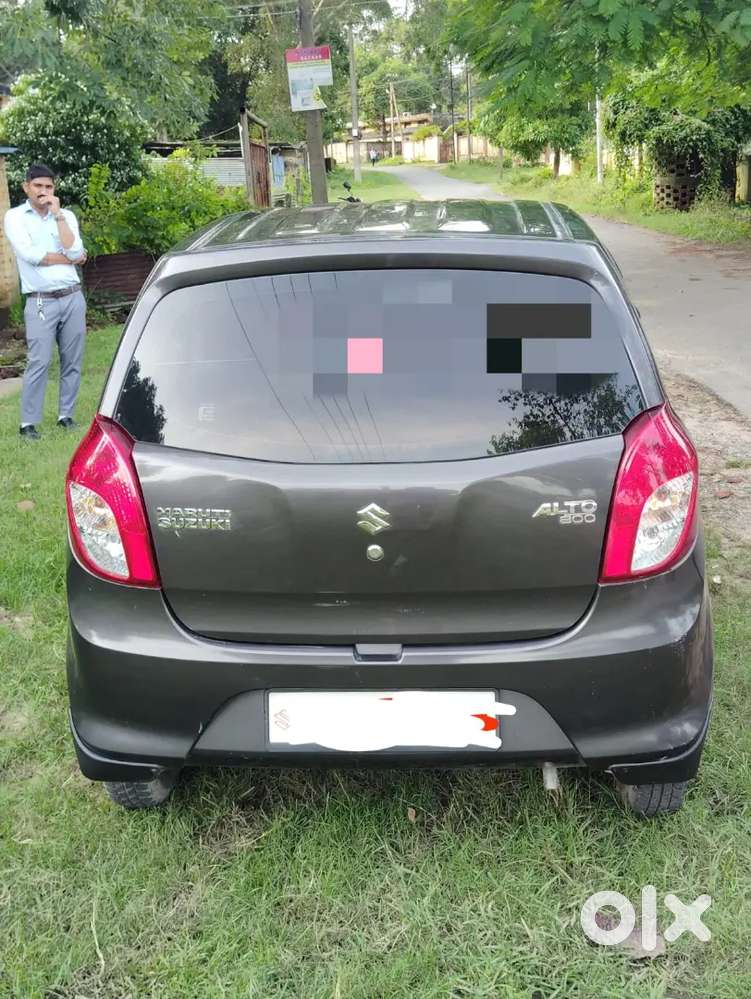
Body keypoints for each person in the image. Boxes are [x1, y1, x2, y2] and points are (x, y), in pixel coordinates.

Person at [3, 163, 87, 440]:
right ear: (26, 187)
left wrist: (59, 216)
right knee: (39, 360)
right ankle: (28, 423)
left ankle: (66, 416)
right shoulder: (15, 217)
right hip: (41, 301)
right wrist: (70, 259)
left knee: (72, 359)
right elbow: (31, 255)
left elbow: (76, 249)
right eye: (38, 186)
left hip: (72, 296)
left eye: (48, 186)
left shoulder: (65, 216)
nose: (43, 191)